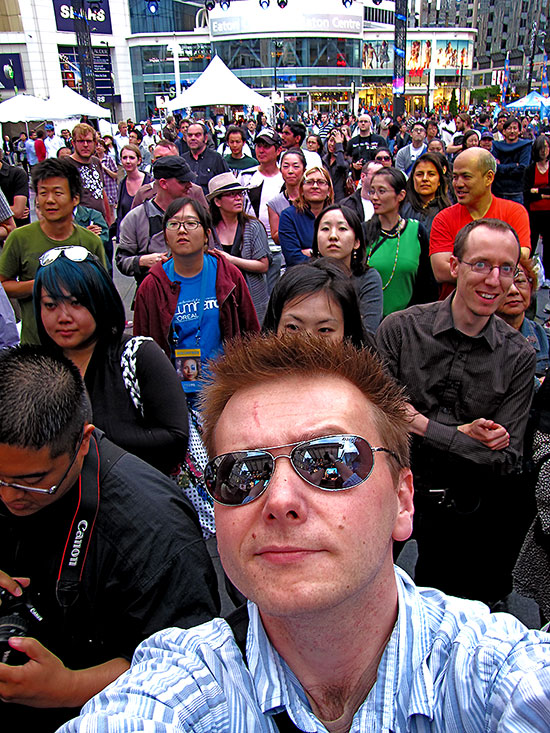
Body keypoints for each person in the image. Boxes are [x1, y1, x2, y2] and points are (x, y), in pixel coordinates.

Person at [60, 332, 550, 733]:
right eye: (242, 473)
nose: (279, 501)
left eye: (331, 461)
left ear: (403, 500)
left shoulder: (493, 670)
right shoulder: (180, 688)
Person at [0, 345, 220, 732]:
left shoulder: (155, 531)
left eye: (32, 482)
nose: (8, 495)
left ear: (84, 442)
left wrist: (67, 687)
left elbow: (189, 668)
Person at [377, 219, 536, 603]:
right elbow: (376, 418)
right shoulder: (399, 330)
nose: (494, 280)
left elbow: (506, 458)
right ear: (455, 266)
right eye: (481, 264)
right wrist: (459, 436)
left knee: (445, 619)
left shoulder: (518, 356)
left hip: (462, 511)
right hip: (386, 494)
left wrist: (421, 423)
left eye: (506, 269)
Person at [33, 246, 189, 474]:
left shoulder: (139, 355)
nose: (63, 317)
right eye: (50, 305)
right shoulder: (38, 369)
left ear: (100, 300)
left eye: (76, 302)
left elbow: (176, 439)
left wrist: (83, 438)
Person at [0, 159, 106, 344]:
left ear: (75, 198)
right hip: (36, 348)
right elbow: (4, 285)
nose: (49, 200)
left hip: (83, 346)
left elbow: (102, 292)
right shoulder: (19, 238)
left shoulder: (90, 242)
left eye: (58, 193)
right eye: (43, 193)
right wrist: (42, 284)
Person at [430, 147, 531, 299]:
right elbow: (441, 271)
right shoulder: (443, 219)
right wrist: (498, 268)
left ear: (489, 178)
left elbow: (520, 258)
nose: (458, 184)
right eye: (455, 177)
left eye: (466, 176)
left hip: (502, 312)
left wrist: (468, 267)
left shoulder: (514, 212)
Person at [364, 167, 436, 317]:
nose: (374, 197)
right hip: (369, 324)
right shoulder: (363, 232)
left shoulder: (416, 231)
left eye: (381, 191)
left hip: (407, 322)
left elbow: (427, 284)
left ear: (401, 195)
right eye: (372, 191)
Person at [116, 156, 196, 289]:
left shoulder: (195, 213)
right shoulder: (135, 218)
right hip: (152, 295)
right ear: (164, 184)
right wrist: (142, 261)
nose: (189, 185)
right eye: (183, 181)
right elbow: (122, 261)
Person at [263, 258, 371, 348]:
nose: (307, 343)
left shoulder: (364, 372)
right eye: (293, 327)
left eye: (324, 330)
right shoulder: (253, 372)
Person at [207, 173, 271, 324]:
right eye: (231, 195)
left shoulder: (253, 226)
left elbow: (263, 265)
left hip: (252, 298)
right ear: (217, 201)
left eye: (240, 194)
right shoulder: (208, 231)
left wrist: (230, 260)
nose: (238, 198)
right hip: (219, 298)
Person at [312, 204, 383, 333]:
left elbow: (368, 333)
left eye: (342, 229)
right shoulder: (304, 276)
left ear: (357, 242)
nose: (333, 236)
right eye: (325, 229)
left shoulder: (368, 279)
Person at [239, 130, 284, 292]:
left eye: (266, 146)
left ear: (278, 150)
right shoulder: (246, 176)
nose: (261, 150)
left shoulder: (286, 178)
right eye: (258, 146)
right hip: (252, 244)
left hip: (280, 245)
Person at [495, 255, 549, 377]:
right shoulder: (477, 337)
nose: (513, 290)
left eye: (520, 281)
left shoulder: (542, 337)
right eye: (504, 284)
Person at [279, 166, 333, 267]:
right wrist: (325, 258)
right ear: (302, 190)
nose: (315, 186)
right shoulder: (289, 216)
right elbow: (293, 258)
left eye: (321, 182)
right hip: (301, 278)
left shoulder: (337, 215)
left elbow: (342, 255)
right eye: (310, 182)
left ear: (329, 190)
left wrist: (311, 253)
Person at [131, 140, 208, 210]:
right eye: (159, 158)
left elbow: (206, 221)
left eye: (169, 158)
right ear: (153, 161)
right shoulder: (143, 193)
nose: (164, 162)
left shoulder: (194, 191)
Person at [69, 123, 113, 227]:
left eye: (89, 141)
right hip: (80, 225)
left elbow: (102, 192)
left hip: (100, 222)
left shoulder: (96, 162)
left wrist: (108, 220)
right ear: (73, 143)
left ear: (95, 143)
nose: (85, 145)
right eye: (80, 141)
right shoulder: (66, 165)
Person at [401, 153, 452, 236]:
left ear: (439, 181)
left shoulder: (448, 213)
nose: (425, 179)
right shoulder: (401, 209)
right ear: (413, 179)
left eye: (431, 174)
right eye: (419, 174)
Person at [266, 147, 306, 246]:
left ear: (304, 170)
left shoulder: (312, 198)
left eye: (296, 166)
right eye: (286, 166)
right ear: (280, 170)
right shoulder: (274, 203)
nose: (290, 171)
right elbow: (275, 238)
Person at [523, 134, 550, 282]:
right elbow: (527, 192)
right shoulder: (530, 169)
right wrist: (545, 193)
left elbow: (533, 191)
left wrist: (538, 191)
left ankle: (547, 276)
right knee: (531, 245)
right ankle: (530, 275)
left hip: (548, 212)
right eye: (541, 147)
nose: (544, 151)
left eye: (546, 147)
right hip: (533, 213)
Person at [492, 117, 533, 204]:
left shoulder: (525, 146)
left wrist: (501, 167)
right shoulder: (496, 145)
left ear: (519, 131)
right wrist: (514, 165)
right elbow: (494, 167)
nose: (512, 131)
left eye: (515, 128)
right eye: (509, 128)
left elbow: (523, 168)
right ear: (504, 131)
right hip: (499, 190)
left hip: (516, 191)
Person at [182, 122, 229, 196]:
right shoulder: (182, 161)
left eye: (197, 135)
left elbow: (226, 187)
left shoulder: (216, 159)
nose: (193, 138)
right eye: (190, 135)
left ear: (206, 138)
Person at [115, 143, 152, 237]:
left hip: (148, 235)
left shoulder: (149, 181)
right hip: (129, 235)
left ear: (139, 160)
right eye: (124, 158)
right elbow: (120, 215)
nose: (128, 161)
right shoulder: (122, 184)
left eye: (131, 158)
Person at [0, 148, 29, 226]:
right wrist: (8, 211)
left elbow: (17, 211)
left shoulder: (17, 174)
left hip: (18, 231)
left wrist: (16, 210)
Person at [322, 128, 349, 203]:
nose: (333, 144)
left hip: (340, 199)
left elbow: (341, 165)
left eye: (335, 142)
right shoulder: (324, 159)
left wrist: (339, 145)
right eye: (331, 141)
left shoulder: (346, 160)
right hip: (325, 198)